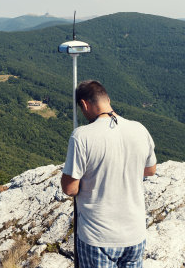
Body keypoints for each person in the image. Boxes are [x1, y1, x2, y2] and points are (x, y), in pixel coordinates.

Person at [61, 80, 157, 268]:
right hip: (135, 235)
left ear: (85, 104)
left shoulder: (82, 136)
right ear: (108, 100)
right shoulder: (139, 128)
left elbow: (70, 189)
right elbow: (150, 169)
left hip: (99, 237)